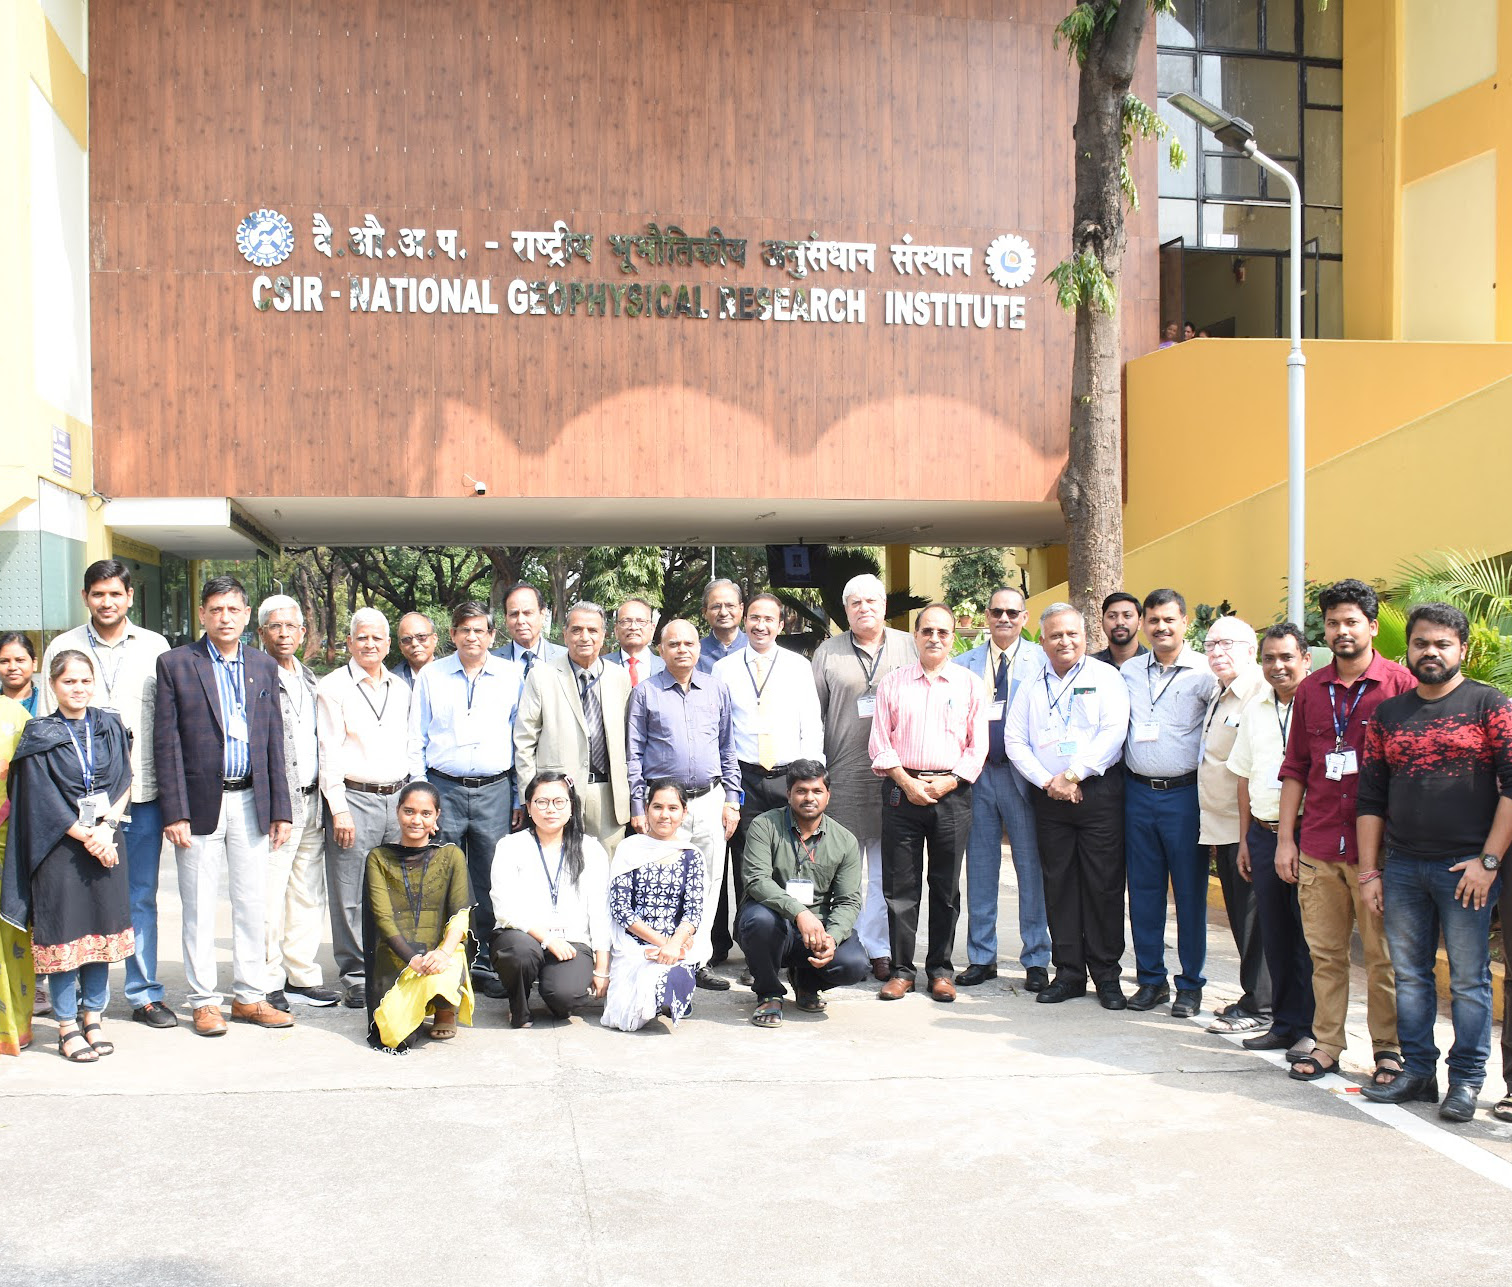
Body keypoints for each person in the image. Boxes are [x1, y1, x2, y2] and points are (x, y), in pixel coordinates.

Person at [1356, 603, 1511, 1122]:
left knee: (1468, 980)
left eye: (1442, 644)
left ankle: (1466, 1080)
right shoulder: (1389, 715)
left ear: (1461, 649)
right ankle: (1419, 1072)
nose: (1431, 652)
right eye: (1421, 643)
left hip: (1466, 870)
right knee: (1410, 975)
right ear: (1409, 648)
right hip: (1402, 867)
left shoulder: (1489, 704)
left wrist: (1488, 861)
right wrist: (1370, 870)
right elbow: (1371, 798)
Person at [1277, 578, 1413, 1084]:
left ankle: (1388, 1050)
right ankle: (1328, 1043)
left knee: (1383, 959)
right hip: (1318, 845)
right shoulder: (1311, 689)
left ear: (1372, 627)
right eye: (1333, 623)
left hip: (1378, 854)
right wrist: (1286, 840)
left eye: (1351, 621)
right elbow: (1296, 767)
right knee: (1326, 956)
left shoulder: (1400, 685)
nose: (1342, 631)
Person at [155, 575, 293, 1037]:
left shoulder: (262, 665)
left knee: (252, 904)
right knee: (197, 905)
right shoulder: (176, 664)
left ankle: (249, 997)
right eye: (216, 609)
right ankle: (204, 1002)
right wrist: (174, 811)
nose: (225, 617)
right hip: (198, 805)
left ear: (247, 615)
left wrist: (281, 809)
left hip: (252, 799)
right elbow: (166, 742)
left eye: (233, 609)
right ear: (202, 614)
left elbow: (274, 740)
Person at [39, 560, 174, 1029]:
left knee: (139, 896)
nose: (107, 602)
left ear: (130, 596)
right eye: (98, 594)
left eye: (115, 593)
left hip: (142, 793)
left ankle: (144, 994)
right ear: (85, 597)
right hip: (79, 805)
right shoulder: (63, 647)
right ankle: (80, 999)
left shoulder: (155, 646)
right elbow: (47, 727)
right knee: (81, 900)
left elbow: (166, 724)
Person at [2, 651, 133, 1062]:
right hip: (58, 848)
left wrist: (107, 830)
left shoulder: (109, 724)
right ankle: (65, 1026)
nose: (78, 688)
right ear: (53, 685)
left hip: (107, 842)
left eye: (85, 680)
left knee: (101, 933)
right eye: (69, 681)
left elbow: (125, 779)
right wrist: (87, 835)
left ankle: (93, 1017)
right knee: (63, 934)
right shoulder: (40, 733)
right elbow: (39, 798)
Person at [1004, 604, 1131, 1008]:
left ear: (1085, 637)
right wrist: (1049, 781)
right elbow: (1014, 740)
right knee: (1058, 885)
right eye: (1056, 635)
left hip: (1098, 793)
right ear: (1041, 641)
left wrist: (1074, 775)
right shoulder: (1030, 683)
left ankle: (1107, 976)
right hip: (1050, 798)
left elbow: (1114, 731)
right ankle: (1069, 973)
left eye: (1072, 634)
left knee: (1103, 885)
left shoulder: (1105, 677)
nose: (1065, 641)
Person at [869, 603, 987, 1002]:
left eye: (943, 632)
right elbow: (879, 743)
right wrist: (906, 782)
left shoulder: (970, 684)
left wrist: (948, 782)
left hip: (952, 795)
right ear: (915, 636)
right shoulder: (893, 683)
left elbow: (978, 747)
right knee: (900, 886)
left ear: (953, 638)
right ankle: (902, 970)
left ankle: (940, 970)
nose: (935, 638)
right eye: (927, 631)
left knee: (945, 886)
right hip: (902, 792)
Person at [410, 601, 522, 999]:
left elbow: (520, 738)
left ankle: (487, 961)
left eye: (479, 630)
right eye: (464, 630)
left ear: (492, 635)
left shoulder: (512, 676)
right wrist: (423, 797)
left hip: (495, 790)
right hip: (444, 789)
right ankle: (444, 963)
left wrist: (518, 796)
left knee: (491, 879)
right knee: (440, 876)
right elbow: (416, 736)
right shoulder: (432, 675)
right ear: (452, 634)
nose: (472, 637)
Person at [811, 573, 917, 980]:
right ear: (846, 610)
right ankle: (844, 942)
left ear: (884, 606)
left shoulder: (910, 645)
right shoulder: (828, 652)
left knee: (888, 870)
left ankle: (880, 948)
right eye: (855, 602)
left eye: (871, 600)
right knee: (846, 869)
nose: (864, 608)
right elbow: (815, 715)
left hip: (897, 776)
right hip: (845, 773)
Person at [711, 592, 823, 969]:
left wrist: (809, 780)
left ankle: (793, 946)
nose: (760, 625)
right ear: (745, 620)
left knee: (794, 863)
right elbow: (721, 729)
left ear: (780, 624)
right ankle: (755, 954)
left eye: (768, 619)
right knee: (748, 868)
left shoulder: (798, 666)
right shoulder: (724, 669)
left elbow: (811, 724)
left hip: (789, 777)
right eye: (754, 618)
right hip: (744, 778)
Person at [626, 618, 740, 989]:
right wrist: (638, 806)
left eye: (689, 643)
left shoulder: (716, 690)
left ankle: (697, 960)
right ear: (661, 650)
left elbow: (727, 747)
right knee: (663, 883)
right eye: (673, 644)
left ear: (698, 648)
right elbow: (633, 754)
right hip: (663, 806)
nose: (682, 650)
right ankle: (663, 957)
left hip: (709, 800)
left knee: (708, 882)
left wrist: (732, 799)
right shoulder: (645, 693)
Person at [1121, 589, 1217, 1017]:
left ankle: (1191, 985)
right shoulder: (1128, 671)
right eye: (1154, 620)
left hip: (1184, 797)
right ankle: (1151, 981)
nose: (1161, 627)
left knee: (1190, 894)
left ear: (1184, 623)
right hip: (1138, 794)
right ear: (1144, 624)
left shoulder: (1204, 673)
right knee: (1143, 893)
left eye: (1169, 620)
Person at [953, 585, 1050, 991]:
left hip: (1022, 775)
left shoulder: (1042, 660)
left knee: (1030, 867)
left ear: (1025, 618)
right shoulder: (963, 664)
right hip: (977, 776)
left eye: (1013, 612)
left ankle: (1037, 958)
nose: (1004, 618)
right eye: (997, 612)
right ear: (986, 617)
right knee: (980, 868)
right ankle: (981, 956)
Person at [1227, 623, 1316, 1062]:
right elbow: (1243, 776)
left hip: (1306, 834)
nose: (1277, 666)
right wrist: (1246, 838)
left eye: (1286, 657)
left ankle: (1312, 1031)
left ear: (1306, 659)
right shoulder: (1256, 708)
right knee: (1276, 935)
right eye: (1269, 658)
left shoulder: (1318, 705)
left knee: (1309, 938)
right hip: (1263, 834)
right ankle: (1283, 1025)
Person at [317, 607, 411, 1009]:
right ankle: (356, 974)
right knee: (349, 892)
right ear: (349, 643)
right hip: (354, 798)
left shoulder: (401, 688)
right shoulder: (333, 687)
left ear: (388, 644)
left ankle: (391, 964)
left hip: (397, 797)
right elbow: (328, 750)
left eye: (377, 638)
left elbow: (410, 744)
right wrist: (338, 808)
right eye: (362, 637)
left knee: (395, 889)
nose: (370, 644)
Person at [735, 760, 869, 1027]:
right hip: (774, 924)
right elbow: (756, 880)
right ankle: (769, 993)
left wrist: (832, 937)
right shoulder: (764, 826)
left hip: (817, 932)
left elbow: (848, 900)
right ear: (789, 794)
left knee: (854, 964)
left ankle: (807, 983)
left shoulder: (844, 841)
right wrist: (800, 913)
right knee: (759, 921)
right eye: (801, 791)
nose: (809, 798)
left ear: (828, 795)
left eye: (817, 791)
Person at [257, 595, 339, 1008]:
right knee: (269, 896)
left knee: (307, 894)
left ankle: (301, 976)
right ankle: (267, 979)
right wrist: (274, 805)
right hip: (279, 805)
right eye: (275, 626)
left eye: (291, 626)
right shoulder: (256, 675)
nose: (284, 633)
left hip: (312, 801)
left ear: (304, 633)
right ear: (262, 633)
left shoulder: (310, 679)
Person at [1198, 616, 1272, 1033]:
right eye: (1211, 644)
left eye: (1227, 643)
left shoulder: (1259, 692)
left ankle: (1263, 1006)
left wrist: (1248, 835)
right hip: (1221, 825)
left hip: (1247, 828)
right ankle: (1254, 997)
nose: (1217, 652)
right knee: (1242, 918)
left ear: (1250, 649)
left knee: (1253, 920)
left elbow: (1256, 767)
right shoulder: (1220, 692)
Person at [490, 772, 611, 1028]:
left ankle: (552, 989)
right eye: (541, 802)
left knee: (565, 997)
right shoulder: (510, 846)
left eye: (559, 802)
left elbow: (600, 912)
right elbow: (504, 908)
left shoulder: (590, 849)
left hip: (573, 941)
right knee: (519, 953)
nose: (550, 809)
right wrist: (547, 939)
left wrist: (602, 969)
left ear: (571, 807)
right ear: (529, 807)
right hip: (524, 936)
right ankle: (519, 1006)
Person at [362, 780, 471, 1053]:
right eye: (409, 811)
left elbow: (461, 914)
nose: (416, 820)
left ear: (436, 816)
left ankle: (445, 1007)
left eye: (425, 813)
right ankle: (416, 1005)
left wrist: (443, 952)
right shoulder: (378, 857)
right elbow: (383, 918)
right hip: (396, 956)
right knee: (397, 1038)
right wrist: (411, 958)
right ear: (397, 811)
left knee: (451, 957)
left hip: (439, 953)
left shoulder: (451, 855)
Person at [513, 602, 632, 851]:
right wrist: (529, 796)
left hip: (609, 794)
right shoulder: (542, 675)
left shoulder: (619, 677)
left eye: (592, 630)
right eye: (576, 630)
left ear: (604, 635)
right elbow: (524, 741)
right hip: (556, 795)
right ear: (565, 634)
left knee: (607, 868)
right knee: (559, 864)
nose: (584, 637)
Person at [601, 779, 705, 1031]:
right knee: (631, 1009)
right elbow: (621, 909)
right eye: (657, 807)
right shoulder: (629, 848)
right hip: (633, 945)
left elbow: (693, 911)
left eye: (673, 808)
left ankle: (670, 995)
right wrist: (664, 945)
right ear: (646, 809)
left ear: (684, 812)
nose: (664, 815)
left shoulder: (691, 855)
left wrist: (675, 943)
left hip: (676, 945)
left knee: (671, 988)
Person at [0, 691, 33, 1054]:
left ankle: (12, 1026)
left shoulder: (16, 716)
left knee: (11, 931)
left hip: (7, 838)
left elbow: (29, 778)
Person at [493, 583, 566, 675]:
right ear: (506, 618)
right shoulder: (492, 661)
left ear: (542, 615)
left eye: (527, 613)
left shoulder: (566, 657)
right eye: (514, 614)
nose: (520, 621)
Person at [606, 598, 665, 685]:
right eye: (626, 621)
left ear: (652, 629)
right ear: (616, 630)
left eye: (641, 621)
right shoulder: (601, 666)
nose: (633, 627)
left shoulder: (667, 667)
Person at [695, 578, 747, 674]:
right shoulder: (695, 653)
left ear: (741, 609)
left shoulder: (756, 647)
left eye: (730, 606)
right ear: (705, 612)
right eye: (716, 607)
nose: (723, 613)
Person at [1091, 592, 1146, 668]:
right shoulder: (1090, 666)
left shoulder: (1153, 663)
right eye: (1112, 616)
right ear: (1102, 623)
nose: (1119, 622)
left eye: (1127, 615)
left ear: (1139, 623)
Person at [391, 612, 438, 688]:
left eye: (421, 636)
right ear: (400, 646)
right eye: (407, 639)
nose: (414, 644)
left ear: (434, 639)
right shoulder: (393, 682)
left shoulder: (450, 674)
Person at [0, 632, 39, 716]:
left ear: (34, 663)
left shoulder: (48, 704)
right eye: (4, 661)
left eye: (20, 660)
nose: (12, 667)